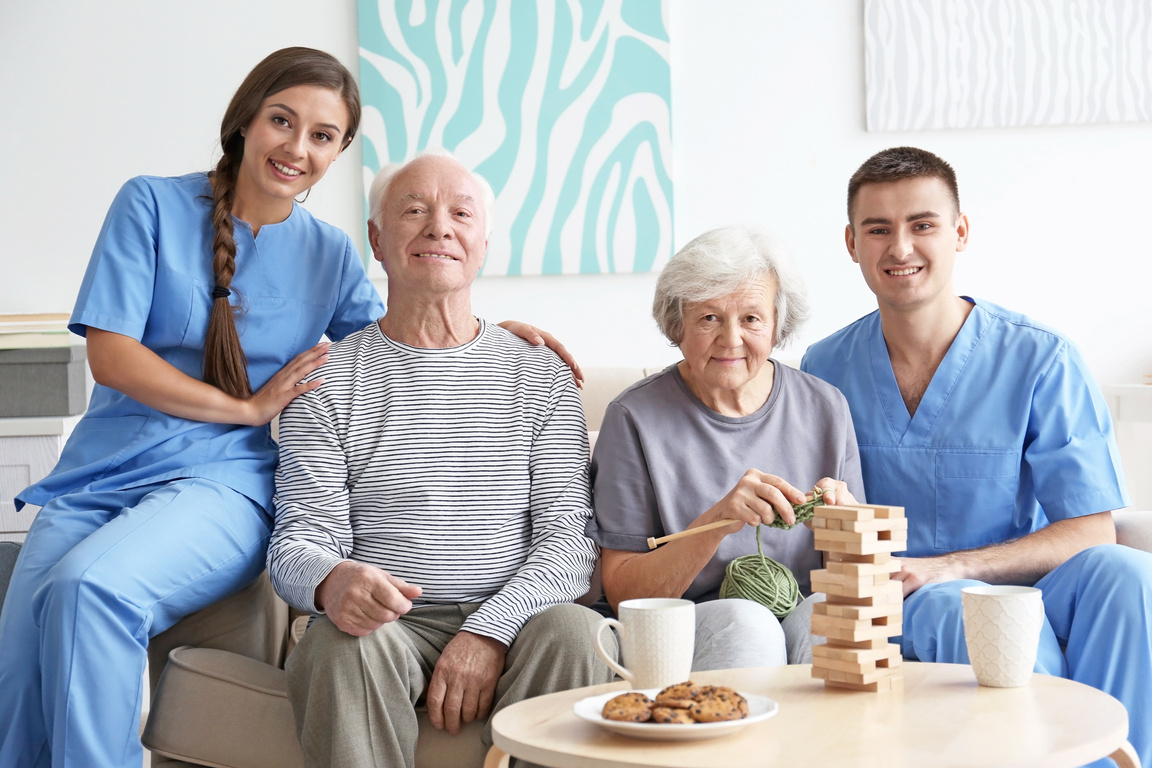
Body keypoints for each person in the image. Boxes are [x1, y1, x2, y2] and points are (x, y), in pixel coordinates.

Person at [0, 49, 573, 768]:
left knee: (90, 590)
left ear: (337, 154)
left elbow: (412, 326)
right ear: (246, 120)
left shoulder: (329, 255)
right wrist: (242, 407)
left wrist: (502, 335)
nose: (297, 148)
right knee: (17, 664)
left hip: (220, 481)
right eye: (282, 120)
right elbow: (111, 356)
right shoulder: (149, 203)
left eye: (323, 136)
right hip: (100, 474)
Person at [801, 146, 1152, 767]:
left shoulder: (1041, 358)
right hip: (911, 596)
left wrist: (953, 565)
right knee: (952, 608)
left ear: (959, 233)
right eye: (878, 229)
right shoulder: (823, 370)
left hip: (1036, 583)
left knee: (1129, 575)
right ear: (851, 244)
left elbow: (1092, 529)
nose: (900, 247)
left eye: (923, 225)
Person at [266, 152, 612, 768]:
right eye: (414, 211)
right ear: (377, 238)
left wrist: (490, 628)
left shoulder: (539, 375)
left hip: (519, 617)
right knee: (335, 646)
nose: (439, 228)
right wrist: (330, 579)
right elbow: (297, 544)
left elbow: (569, 542)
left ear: (484, 242)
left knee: (576, 633)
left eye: (460, 213)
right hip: (387, 630)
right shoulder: (328, 383)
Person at [585, 224, 864, 669]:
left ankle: (834, 740)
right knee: (746, 620)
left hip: (801, 610)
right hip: (696, 621)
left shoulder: (826, 406)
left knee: (833, 614)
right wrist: (717, 522)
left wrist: (849, 526)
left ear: (777, 326)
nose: (730, 339)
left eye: (751, 318)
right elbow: (623, 594)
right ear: (677, 326)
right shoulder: (634, 418)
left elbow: (857, 578)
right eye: (709, 317)